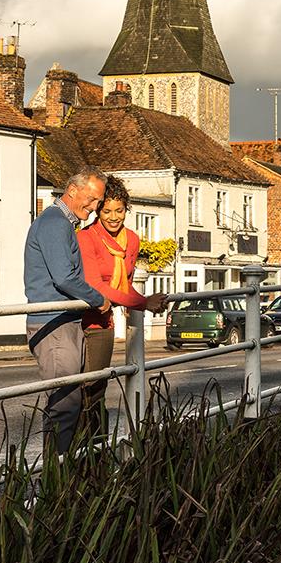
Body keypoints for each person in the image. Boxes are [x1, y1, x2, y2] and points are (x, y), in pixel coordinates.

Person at [23, 168, 111, 454]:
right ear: (72, 190)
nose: (96, 207)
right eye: (93, 199)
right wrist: (98, 299)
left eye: (98, 201)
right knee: (65, 404)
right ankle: (56, 482)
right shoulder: (55, 224)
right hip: (54, 324)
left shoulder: (60, 223)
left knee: (69, 402)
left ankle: (64, 475)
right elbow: (64, 277)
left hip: (63, 322)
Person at [78, 177, 168, 434]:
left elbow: (124, 286)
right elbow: (96, 286)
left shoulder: (132, 240)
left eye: (119, 210)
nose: (113, 217)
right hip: (79, 322)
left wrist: (144, 301)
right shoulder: (87, 238)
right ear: (97, 210)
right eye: (106, 211)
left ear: (127, 208)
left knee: (96, 388)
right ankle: (76, 454)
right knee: (81, 390)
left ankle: (97, 449)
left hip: (103, 322)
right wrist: (142, 303)